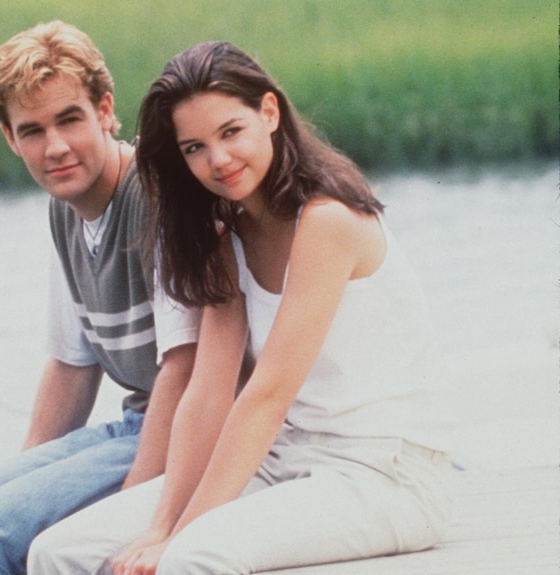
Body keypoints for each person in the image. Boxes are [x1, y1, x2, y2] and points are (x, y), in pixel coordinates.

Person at [28, 40, 454, 575]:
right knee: (57, 550)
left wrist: (177, 537)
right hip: (283, 461)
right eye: (194, 148)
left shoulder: (327, 222)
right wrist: (160, 524)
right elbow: (208, 392)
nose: (218, 160)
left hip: (383, 474)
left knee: (192, 557)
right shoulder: (227, 235)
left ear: (269, 113)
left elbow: (267, 394)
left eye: (231, 132)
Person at [0, 21, 200, 575]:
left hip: (180, 434)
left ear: (105, 110)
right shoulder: (65, 210)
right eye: (32, 130)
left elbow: (184, 372)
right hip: (135, 425)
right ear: (10, 139)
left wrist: (127, 507)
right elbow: (70, 366)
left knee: (0, 529)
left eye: (70, 119)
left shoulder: (155, 198)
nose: (56, 147)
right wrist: (22, 476)